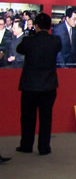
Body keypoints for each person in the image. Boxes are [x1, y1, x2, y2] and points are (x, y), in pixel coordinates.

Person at [16, 12, 62, 155]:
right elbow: (58, 49)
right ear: (49, 26)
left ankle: (26, 145)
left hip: (30, 86)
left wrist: (31, 35)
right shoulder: (55, 40)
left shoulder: (28, 41)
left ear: (35, 26)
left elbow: (19, 49)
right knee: (46, 117)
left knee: (27, 117)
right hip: (49, 86)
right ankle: (44, 147)